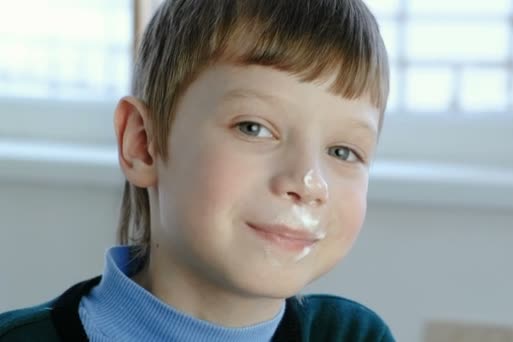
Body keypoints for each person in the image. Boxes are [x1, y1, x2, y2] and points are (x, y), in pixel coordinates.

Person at [0, 0, 392, 340]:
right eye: (253, 128)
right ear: (142, 144)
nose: (308, 183)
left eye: (343, 151)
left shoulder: (354, 335)